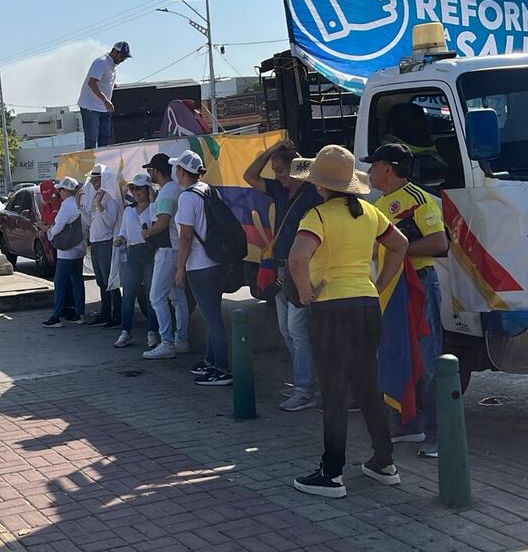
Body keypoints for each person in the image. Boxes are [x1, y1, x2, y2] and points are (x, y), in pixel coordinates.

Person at [287, 144, 409, 499]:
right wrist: (379, 285)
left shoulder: (317, 216)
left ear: (320, 185)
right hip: (366, 304)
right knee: (368, 387)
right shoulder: (370, 212)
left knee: (335, 393)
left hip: (330, 308)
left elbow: (298, 259)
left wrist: (305, 294)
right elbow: (400, 245)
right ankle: (384, 463)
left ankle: (332, 473)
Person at [363, 143, 448, 458]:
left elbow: (439, 242)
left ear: (388, 168)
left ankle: (439, 433)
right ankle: (406, 423)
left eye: (374, 165)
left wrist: (398, 250)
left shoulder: (418, 199)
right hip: (391, 288)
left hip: (418, 286)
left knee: (427, 360)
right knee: (397, 355)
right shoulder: (380, 203)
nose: (370, 171)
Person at [243, 140, 324, 413]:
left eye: (281, 171)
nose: (278, 176)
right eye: (275, 171)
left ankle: (306, 389)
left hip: (300, 268)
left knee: (298, 330)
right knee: (286, 330)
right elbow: (249, 176)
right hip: (279, 268)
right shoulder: (279, 190)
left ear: (297, 169)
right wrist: (269, 151)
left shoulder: (313, 193)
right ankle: (305, 381)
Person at [171, 151, 231, 387]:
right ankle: (210, 360)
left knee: (212, 319)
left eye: (177, 168)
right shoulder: (209, 190)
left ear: (182, 171)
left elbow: (185, 236)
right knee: (212, 315)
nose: (175, 172)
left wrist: (179, 269)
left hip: (198, 265)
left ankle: (222, 368)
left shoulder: (187, 197)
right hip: (216, 261)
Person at [142, 153, 190, 358]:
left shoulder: (168, 191)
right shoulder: (173, 189)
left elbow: (162, 222)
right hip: (175, 249)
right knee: (178, 297)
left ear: (156, 170)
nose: (149, 173)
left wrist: (148, 232)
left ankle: (167, 343)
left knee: (156, 297)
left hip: (166, 250)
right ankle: (181, 339)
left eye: (149, 170)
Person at [113, 173, 156, 347]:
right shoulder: (129, 210)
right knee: (129, 294)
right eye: (133, 188)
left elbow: (155, 224)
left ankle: (152, 331)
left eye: (139, 188)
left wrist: (153, 201)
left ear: (148, 190)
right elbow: (123, 231)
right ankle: (126, 331)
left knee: (151, 294)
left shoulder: (153, 208)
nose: (136, 192)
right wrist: (120, 238)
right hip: (132, 253)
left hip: (149, 253)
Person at [43, 177, 86, 327]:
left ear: (66, 190)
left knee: (60, 283)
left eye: (60, 189)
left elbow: (58, 226)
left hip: (67, 250)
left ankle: (56, 316)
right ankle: (80, 313)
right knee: (77, 281)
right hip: (79, 247)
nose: (58, 192)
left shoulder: (67, 205)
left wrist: (49, 230)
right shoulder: (79, 203)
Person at [84, 164, 122, 326]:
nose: (93, 183)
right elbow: (90, 221)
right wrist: (80, 206)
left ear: (104, 179)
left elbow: (109, 222)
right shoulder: (96, 197)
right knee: (100, 280)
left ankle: (117, 314)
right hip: (95, 242)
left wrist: (99, 205)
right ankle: (105, 311)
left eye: (96, 179)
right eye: (92, 180)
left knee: (109, 280)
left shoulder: (111, 198)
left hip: (106, 241)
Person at [77, 41, 131, 150]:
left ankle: (102, 160)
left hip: (104, 108)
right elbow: (92, 83)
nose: (123, 60)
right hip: (90, 107)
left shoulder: (112, 65)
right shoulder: (101, 62)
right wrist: (105, 100)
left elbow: (104, 79)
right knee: (91, 140)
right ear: (115, 52)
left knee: (105, 140)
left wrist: (112, 85)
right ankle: (90, 161)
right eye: (122, 56)